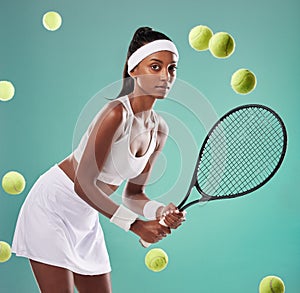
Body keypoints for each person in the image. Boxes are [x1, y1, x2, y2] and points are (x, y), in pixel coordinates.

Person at [12, 26, 186, 293]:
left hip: (86, 215)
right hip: (52, 207)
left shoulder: (159, 129)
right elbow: (83, 184)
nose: (165, 76)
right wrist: (137, 226)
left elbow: (134, 194)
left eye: (172, 68)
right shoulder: (115, 114)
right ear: (133, 70)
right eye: (155, 66)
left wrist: (160, 212)